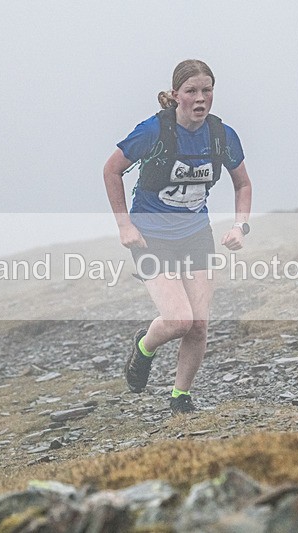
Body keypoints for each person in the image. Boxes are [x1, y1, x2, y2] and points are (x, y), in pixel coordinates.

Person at [103, 59, 252, 415]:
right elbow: (111, 170)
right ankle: (144, 348)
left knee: (198, 325)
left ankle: (180, 397)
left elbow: (243, 184)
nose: (200, 98)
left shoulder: (222, 136)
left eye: (207, 90)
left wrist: (240, 226)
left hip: (195, 234)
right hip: (150, 237)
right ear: (175, 95)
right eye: (191, 91)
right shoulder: (153, 131)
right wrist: (124, 225)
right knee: (178, 321)